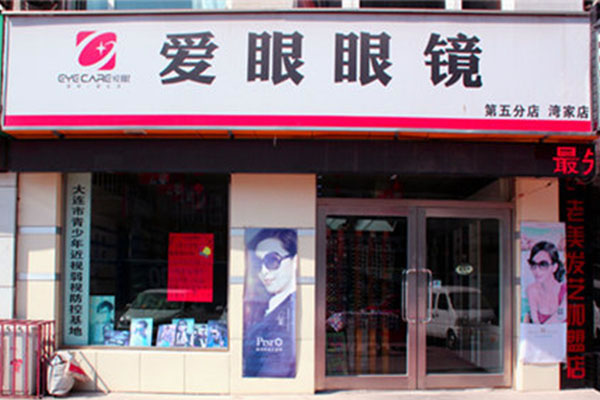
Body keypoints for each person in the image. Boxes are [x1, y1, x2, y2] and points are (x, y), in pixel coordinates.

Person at [243, 228, 297, 378]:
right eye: (258, 264)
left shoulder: (289, 311)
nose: (264, 271)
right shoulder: (267, 306)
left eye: (272, 261)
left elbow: (277, 369)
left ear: (295, 261)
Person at [526, 241, 567, 324]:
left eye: (543, 264)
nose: (537, 270)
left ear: (554, 267)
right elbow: (535, 321)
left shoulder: (564, 290)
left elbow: (559, 318)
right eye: (533, 264)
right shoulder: (531, 290)